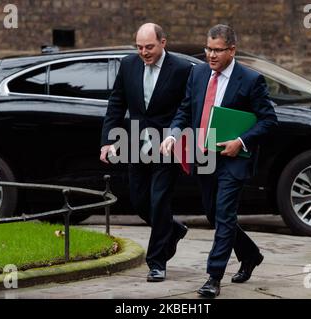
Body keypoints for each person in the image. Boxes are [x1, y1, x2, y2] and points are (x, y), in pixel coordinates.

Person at [161, 24, 278, 297]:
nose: (210, 55)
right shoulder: (198, 73)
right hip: (205, 155)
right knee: (214, 215)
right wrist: (174, 133)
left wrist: (242, 142)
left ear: (231, 50)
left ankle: (213, 277)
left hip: (234, 158)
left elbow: (269, 120)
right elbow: (185, 108)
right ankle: (250, 255)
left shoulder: (250, 80)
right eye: (208, 49)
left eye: (217, 50)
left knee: (224, 215)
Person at [100, 23, 192, 282]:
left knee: (159, 200)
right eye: (139, 47)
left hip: (167, 145)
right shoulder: (128, 65)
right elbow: (116, 103)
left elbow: (187, 107)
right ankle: (172, 230)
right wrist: (108, 140)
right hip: (136, 143)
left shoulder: (182, 70)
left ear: (164, 42)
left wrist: (175, 134)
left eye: (149, 46)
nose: (143, 52)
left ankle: (157, 262)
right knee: (140, 201)